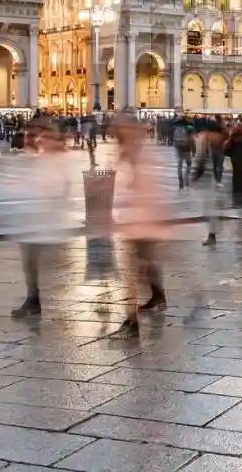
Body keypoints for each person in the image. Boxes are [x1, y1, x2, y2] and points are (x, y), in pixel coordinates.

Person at [8, 118, 77, 317]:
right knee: (29, 261)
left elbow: (60, 187)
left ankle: (34, 300)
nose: (38, 139)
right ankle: (33, 300)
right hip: (32, 219)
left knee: (35, 262)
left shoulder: (57, 159)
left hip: (42, 220)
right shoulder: (39, 157)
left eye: (42, 136)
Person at [111, 116, 168, 337]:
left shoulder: (139, 154)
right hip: (137, 221)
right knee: (142, 266)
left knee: (133, 270)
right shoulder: (130, 153)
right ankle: (157, 296)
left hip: (142, 221)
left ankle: (131, 321)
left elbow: (148, 189)